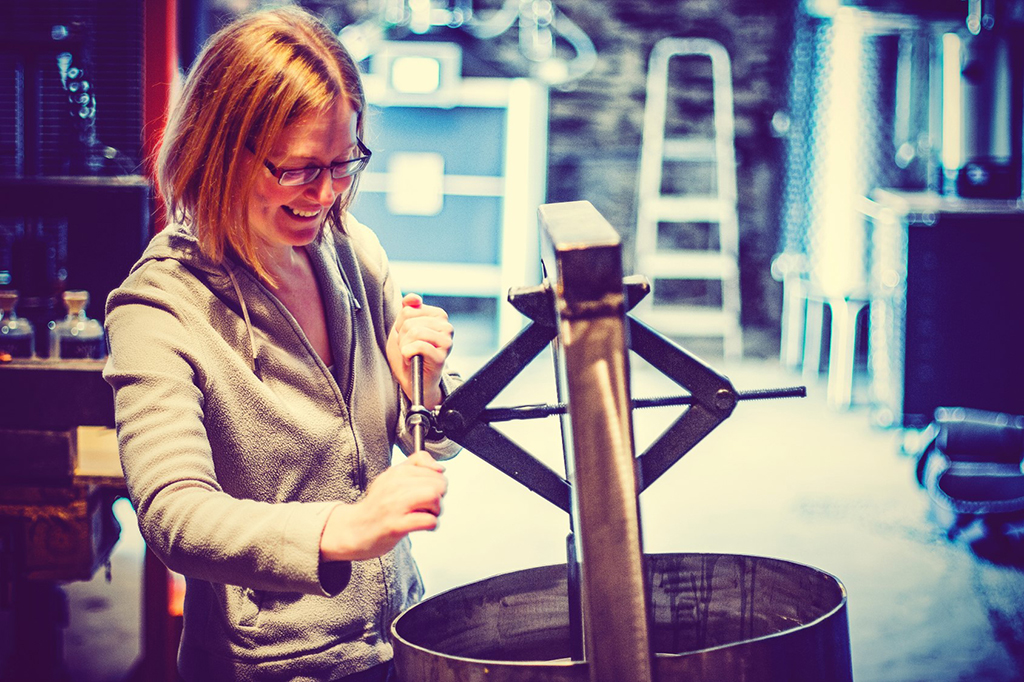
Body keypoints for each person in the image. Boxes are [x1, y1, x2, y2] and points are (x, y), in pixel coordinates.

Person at [102, 6, 462, 681]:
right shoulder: (161, 307)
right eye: (297, 170)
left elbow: (431, 438)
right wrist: (339, 531)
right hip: (272, 667)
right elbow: (172, 514)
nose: (325, 195)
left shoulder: (354, 252)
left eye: (344, 163)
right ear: (218, 147)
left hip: (400, 638)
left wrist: (427, 383)